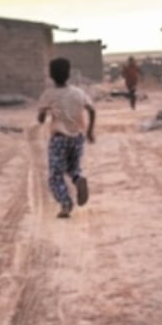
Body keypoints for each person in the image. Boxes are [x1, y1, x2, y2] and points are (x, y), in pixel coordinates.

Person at [37, 57, 95, 219]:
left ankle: (65, 203)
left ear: (50, 75)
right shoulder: (78, 92)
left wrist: (42, 115)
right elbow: (92, 109)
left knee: (55, 176)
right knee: (72, 167)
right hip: (77, 138)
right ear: (69, 74)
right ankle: (78, 179)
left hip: (59, 139)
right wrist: (90, 131)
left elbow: (41, 118)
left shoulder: (49, 95)